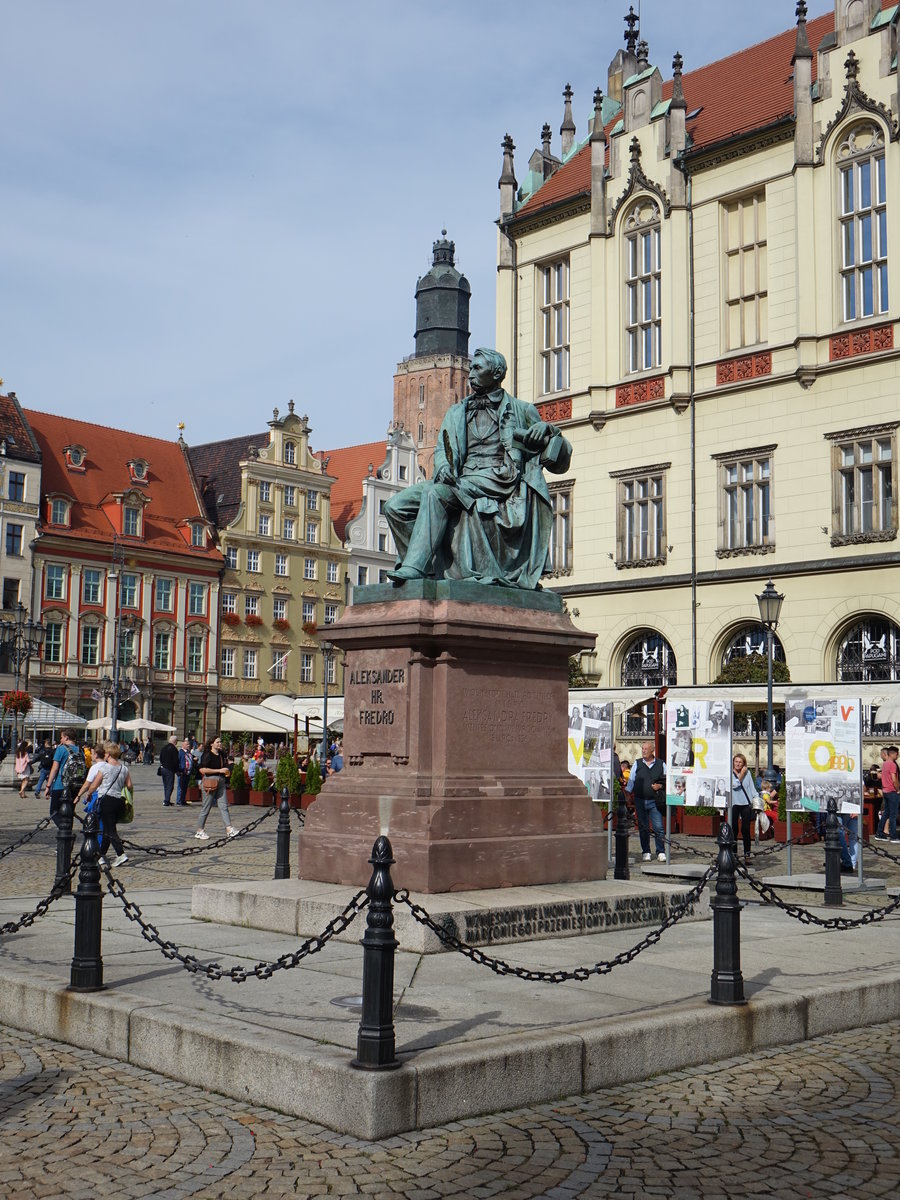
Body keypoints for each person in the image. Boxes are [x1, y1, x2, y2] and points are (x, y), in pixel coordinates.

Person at [384, 347, 572, 587]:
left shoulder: (522, 410)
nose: (470, 373)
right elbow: (443, 449)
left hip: (499, 480)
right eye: (471, 368)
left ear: (496, 374)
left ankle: (414, 567)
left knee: (434, 494)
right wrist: (442, 467)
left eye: (477, 368)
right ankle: (429, 568)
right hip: (461, 479)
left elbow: (560, 459)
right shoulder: (457, 411)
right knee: (394, 506)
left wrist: (548, 431)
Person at [75, 741, 132, 868]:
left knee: (110, 830)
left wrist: (88, 793)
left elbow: (95, 784)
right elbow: (129, 785)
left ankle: (121, 854)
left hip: (107, 800)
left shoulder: (104, 768)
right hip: (119, 801)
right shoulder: (124, 768)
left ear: (109, 754)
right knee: (107, 828)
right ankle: (100, 855)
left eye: (106, 752)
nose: (104, 754)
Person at [625, 741, 666, 862]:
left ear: (652, 750)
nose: (643, 751)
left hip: (655, 801)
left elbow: (668, 780)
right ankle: (646, 851)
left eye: (646, 749)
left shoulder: (661, 764)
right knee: (643, 827)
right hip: (640, 800)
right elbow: (631, 781)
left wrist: (660, 786)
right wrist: (627, 794)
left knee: (658, 827)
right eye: (642, 749)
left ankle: (661, 851)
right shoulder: (637, 764)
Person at [195, 735, 236, 840]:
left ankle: (229, 829)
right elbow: (203, 770)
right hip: (210, 782)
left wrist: (227, 770)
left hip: (221, 781)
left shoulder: (222, 754)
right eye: (217, 742)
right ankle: (199, 830)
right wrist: (219, 770)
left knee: (224, 806)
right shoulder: (207, 754)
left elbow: (225, 766)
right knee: (206, 807)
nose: (219, 744)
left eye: (220, 742)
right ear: (211, 744)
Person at [45, 728, 79, 827]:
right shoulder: (79, 750)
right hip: (74, 787)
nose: (60, 740)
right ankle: (68, 836)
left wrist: (48, 786)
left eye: (61, 737)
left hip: (60, 785)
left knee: (54, 811)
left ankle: (64, 831)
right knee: (69, 813)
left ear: (66, 737)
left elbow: (55, 768)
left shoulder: (61, 749)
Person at [731, 752, 759, 862]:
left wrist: (757, 800)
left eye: (740, 762)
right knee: (734, 829)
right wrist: (741, 774)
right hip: (734, 803)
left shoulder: (747, 774)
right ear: (733, 762)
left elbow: (752, 788)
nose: (738, 764)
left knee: (746, 830)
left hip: (745, 804)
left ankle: (747, 854)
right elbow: (734, 785)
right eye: (736, 761)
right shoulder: (730, 773)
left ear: (744, 764)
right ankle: (734, 855)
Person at [874, 745, 900, 843]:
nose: (897, 757)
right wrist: (898, 789)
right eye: (897, 754)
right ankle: (893, 836)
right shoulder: (892, 764)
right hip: (892, 791)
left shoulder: (885, 764)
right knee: (893, 814)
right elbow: (894, 779)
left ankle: (879, 833)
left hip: (885, 791)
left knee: (886, 813)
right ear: (892, 754)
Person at [158, 734, 179, 807]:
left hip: (163, 768)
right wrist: (177, 770)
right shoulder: (174, 749)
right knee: (170, 786)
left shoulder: (164, 748)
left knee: (166, 785)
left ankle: (167, 799)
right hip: (170, 769)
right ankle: (166, 801)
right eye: (177, 741)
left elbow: (160, 758)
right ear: (175, 741)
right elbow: (175, 761)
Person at [176, 737, 193, 806]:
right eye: (187, 744)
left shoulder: (188, 752)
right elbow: (177, 762)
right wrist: (178, 770)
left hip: (187, 772)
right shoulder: (181, 752)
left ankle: (183, 800)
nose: (188, 745)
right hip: (182, 772)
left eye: (189, 744)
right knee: (180, 787)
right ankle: (179, 801)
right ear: (183, 745)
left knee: (185, 787)